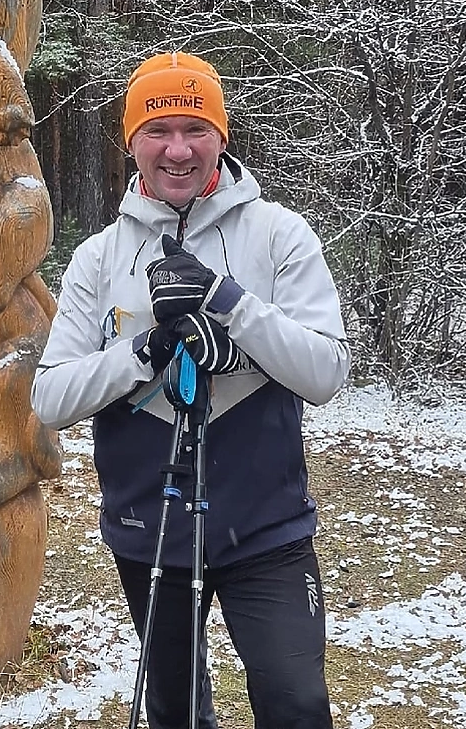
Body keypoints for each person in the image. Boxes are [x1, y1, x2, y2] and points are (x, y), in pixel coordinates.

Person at [31, 51, 350, 729]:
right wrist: (143, 353)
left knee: (296, 706)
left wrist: (228, 303)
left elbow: (326, 372)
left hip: (266, 527)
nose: (178, 150)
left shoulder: (279, 235)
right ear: (132, 142)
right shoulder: (99, 257)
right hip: (150, 529)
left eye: (195, 129)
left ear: (221, 136)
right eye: (158, 130)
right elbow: (51, 399)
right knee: (174, 711)